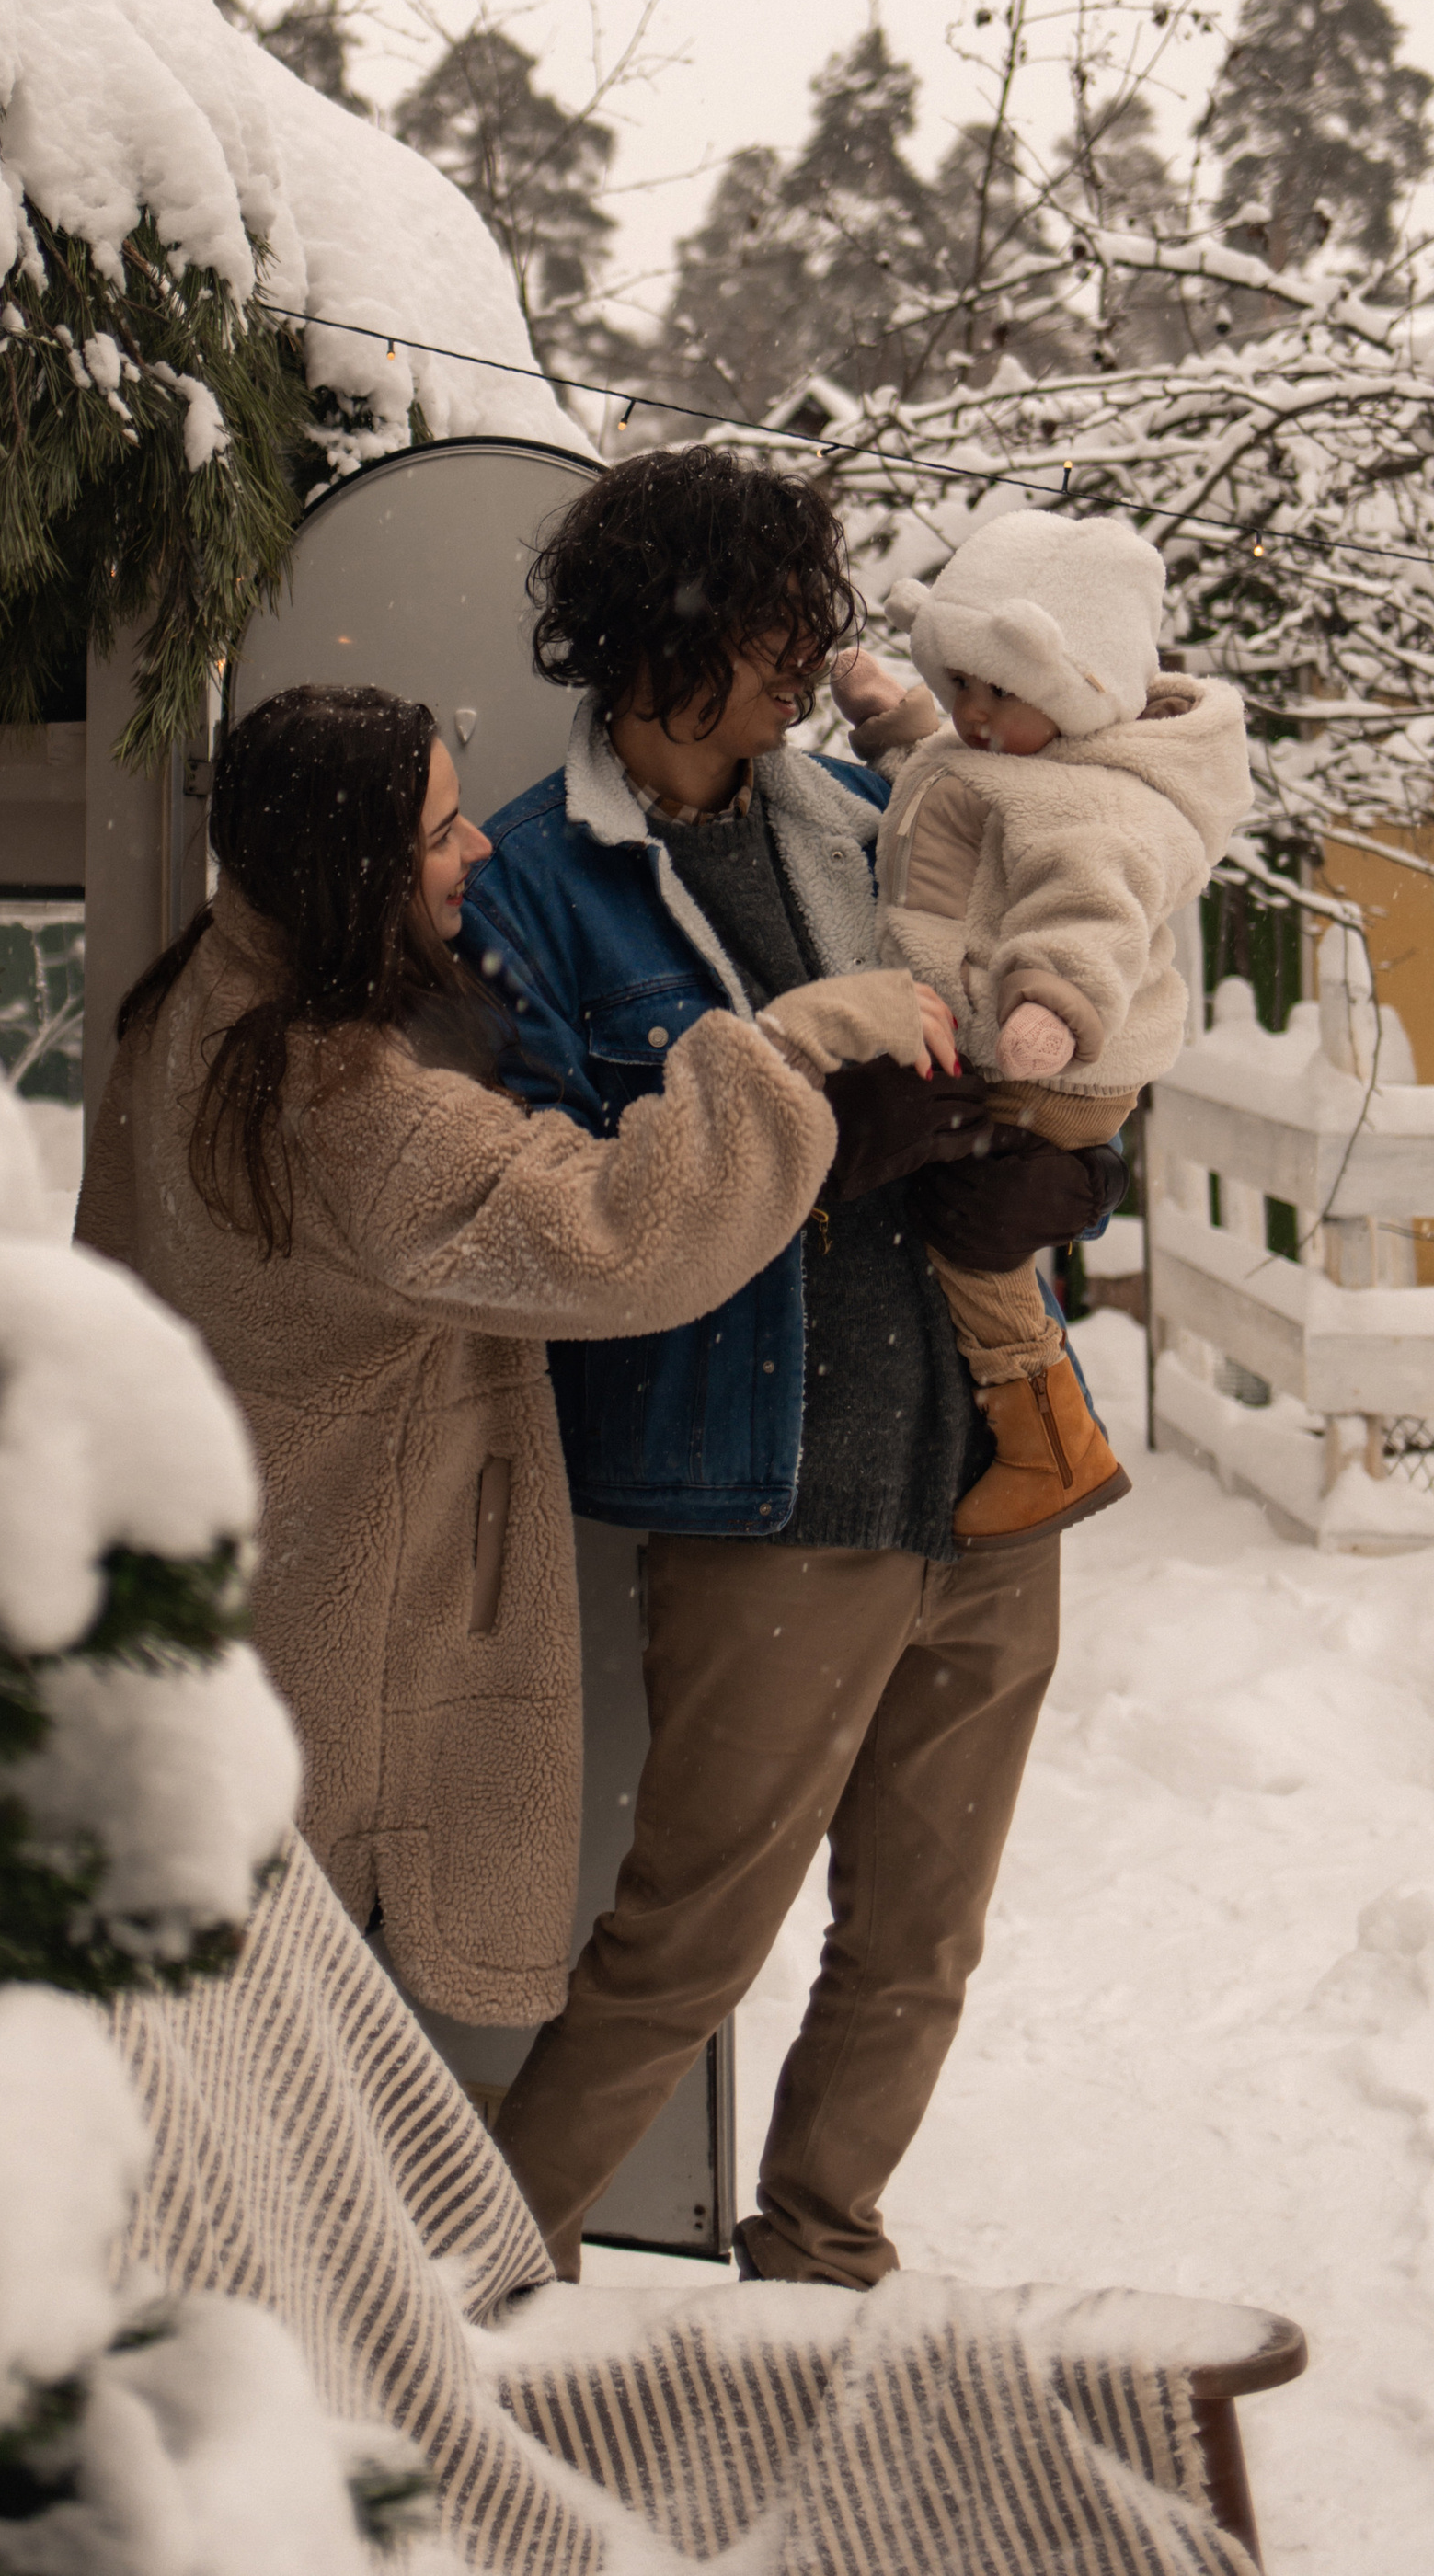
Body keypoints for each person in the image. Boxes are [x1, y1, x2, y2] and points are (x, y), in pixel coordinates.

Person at [455, 451, 1126, 2289]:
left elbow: (1058, 1005)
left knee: (920, 1944)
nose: (797, 666)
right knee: (682, 1946)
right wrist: (817, 1144)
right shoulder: (532, 882)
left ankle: (823, 2260)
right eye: (764, 632)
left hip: (987, 1471)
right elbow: (561, 1207)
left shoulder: (870, 815)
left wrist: (1073, 1178)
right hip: (765, 1498)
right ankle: (465, 2288)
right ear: (655, 639)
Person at [74, 681, 953, 2032]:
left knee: (244, 2005)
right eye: (438, 831)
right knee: (311, 2029)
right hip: (347, 1630)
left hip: (244, 1587)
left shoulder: (204, 994)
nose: (478, 848)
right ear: (347, 867)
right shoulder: (339, 1097)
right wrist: (795, 1044)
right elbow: (617, 1234)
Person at [835, 509, 1252, 1541]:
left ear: (1080, 693)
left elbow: (1089, 915)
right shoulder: (1024, 756)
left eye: (999, 692)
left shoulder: (1099, 807)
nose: (971, 714)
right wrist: (896, 719)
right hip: (1010, 1028)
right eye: (958, 684)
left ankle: (1051, 1445)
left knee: (974, 1234)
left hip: (1055, 1053)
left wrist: (1049, 1006)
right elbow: (948, 797)